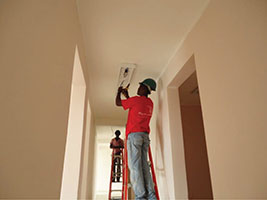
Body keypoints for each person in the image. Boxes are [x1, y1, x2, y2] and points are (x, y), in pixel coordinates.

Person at [115, 78, 157, 200]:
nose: (138, 88)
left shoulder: (136, 100)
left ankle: (140, 196)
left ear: (146, 89)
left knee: (135, 167)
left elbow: (118, 103)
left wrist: (118, 92)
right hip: (144, 136)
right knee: (144, 167)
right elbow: (134, 105)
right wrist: (127, 95)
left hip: (134, 136)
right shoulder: (150, 103)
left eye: (140, 86)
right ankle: (151, 195)